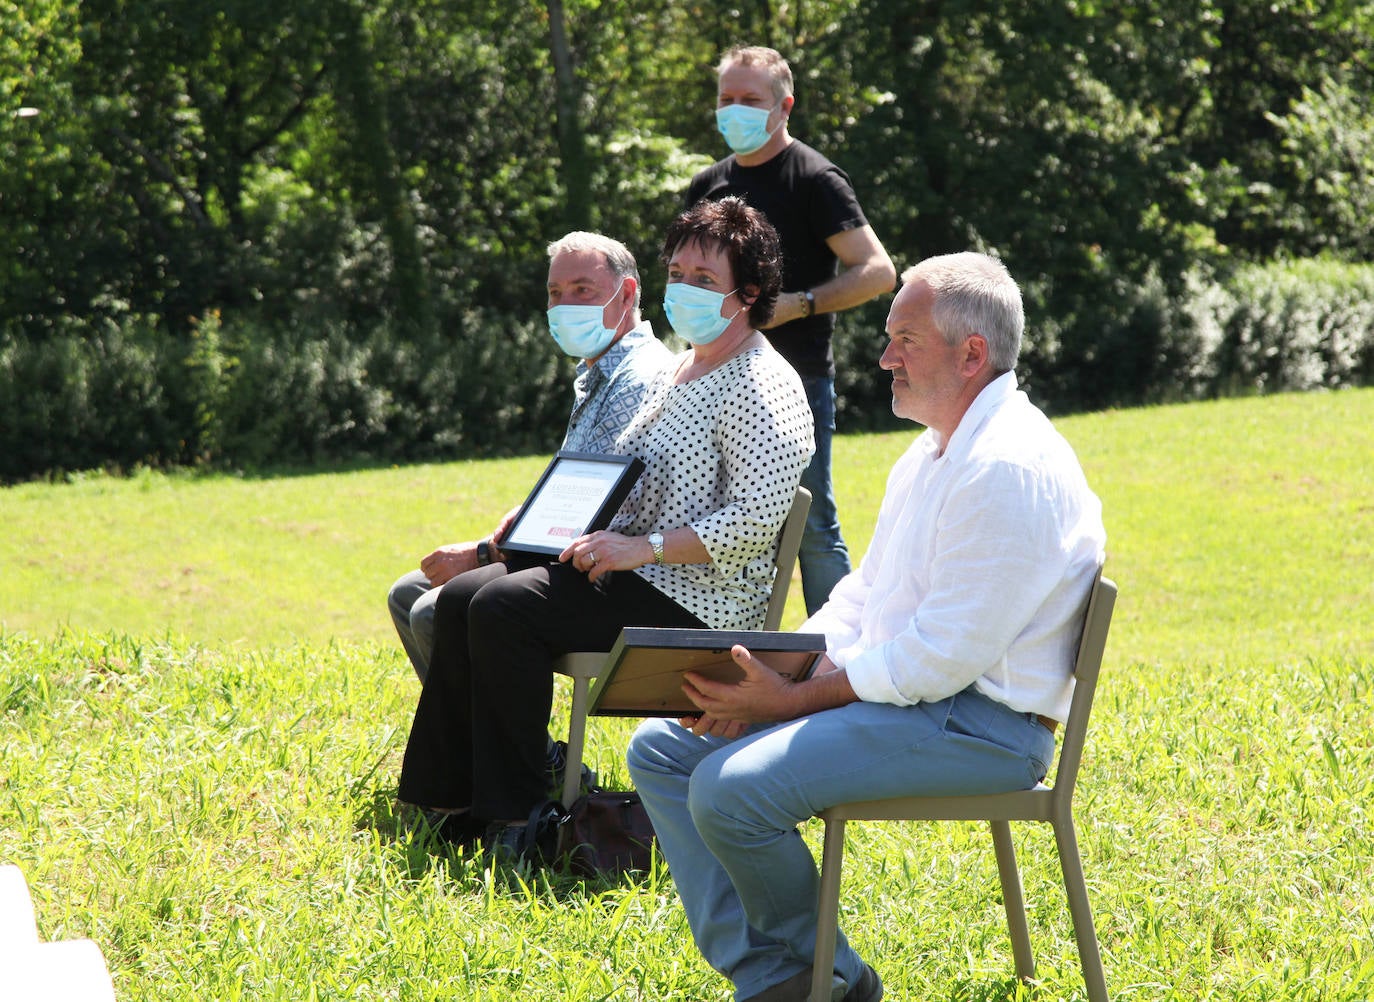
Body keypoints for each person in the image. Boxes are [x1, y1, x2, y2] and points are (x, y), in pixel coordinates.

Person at [626, 253, 1107, 1002]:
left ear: (970, 354)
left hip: (983, 728)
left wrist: (789, 703)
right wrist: (786, 664)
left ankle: (832, 984)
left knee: (727, 790)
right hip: (922, 703)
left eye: (904, 340)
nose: (884, 358)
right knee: (663, 748)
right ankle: (779, 977)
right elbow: (866, 592)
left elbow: (940, 661)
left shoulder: (1008, 467)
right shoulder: (934, 451)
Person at [396, 197, 815, 854]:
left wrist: (640, 548)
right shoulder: (679, 368)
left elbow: (756, 523)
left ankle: (518, 820)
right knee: (466, 596)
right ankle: (448, 803)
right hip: (629, 574)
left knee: (504, 606)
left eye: (704, 279)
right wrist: (537, 522)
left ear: (749, 293)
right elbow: (619, 474)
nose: (683, 290)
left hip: (697, 601)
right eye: (677, 273)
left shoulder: (762, 382)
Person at [387, 232, 672, 682]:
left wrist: (484, 554)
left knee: (430, 609)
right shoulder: (600, 371)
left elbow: (591, 516)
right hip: (567, 559)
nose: (564, 306)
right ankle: (476, 747)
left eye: (583, 290)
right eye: (555, 293)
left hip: (605, 578)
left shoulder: (639, 379)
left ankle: (525, 755)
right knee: (408, 594)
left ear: (628, 294)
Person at [686, 44, 897, 615]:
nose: (735, 111)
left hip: (796, 383)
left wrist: (799, 304)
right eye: (726, 99)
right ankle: (735, 650)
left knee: (811, 523)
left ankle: (840, 652)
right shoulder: (708, 185)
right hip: (712, 381)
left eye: (750, 100)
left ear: (784, 105)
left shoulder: (815, 178)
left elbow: (878, 272)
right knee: (715, 519)